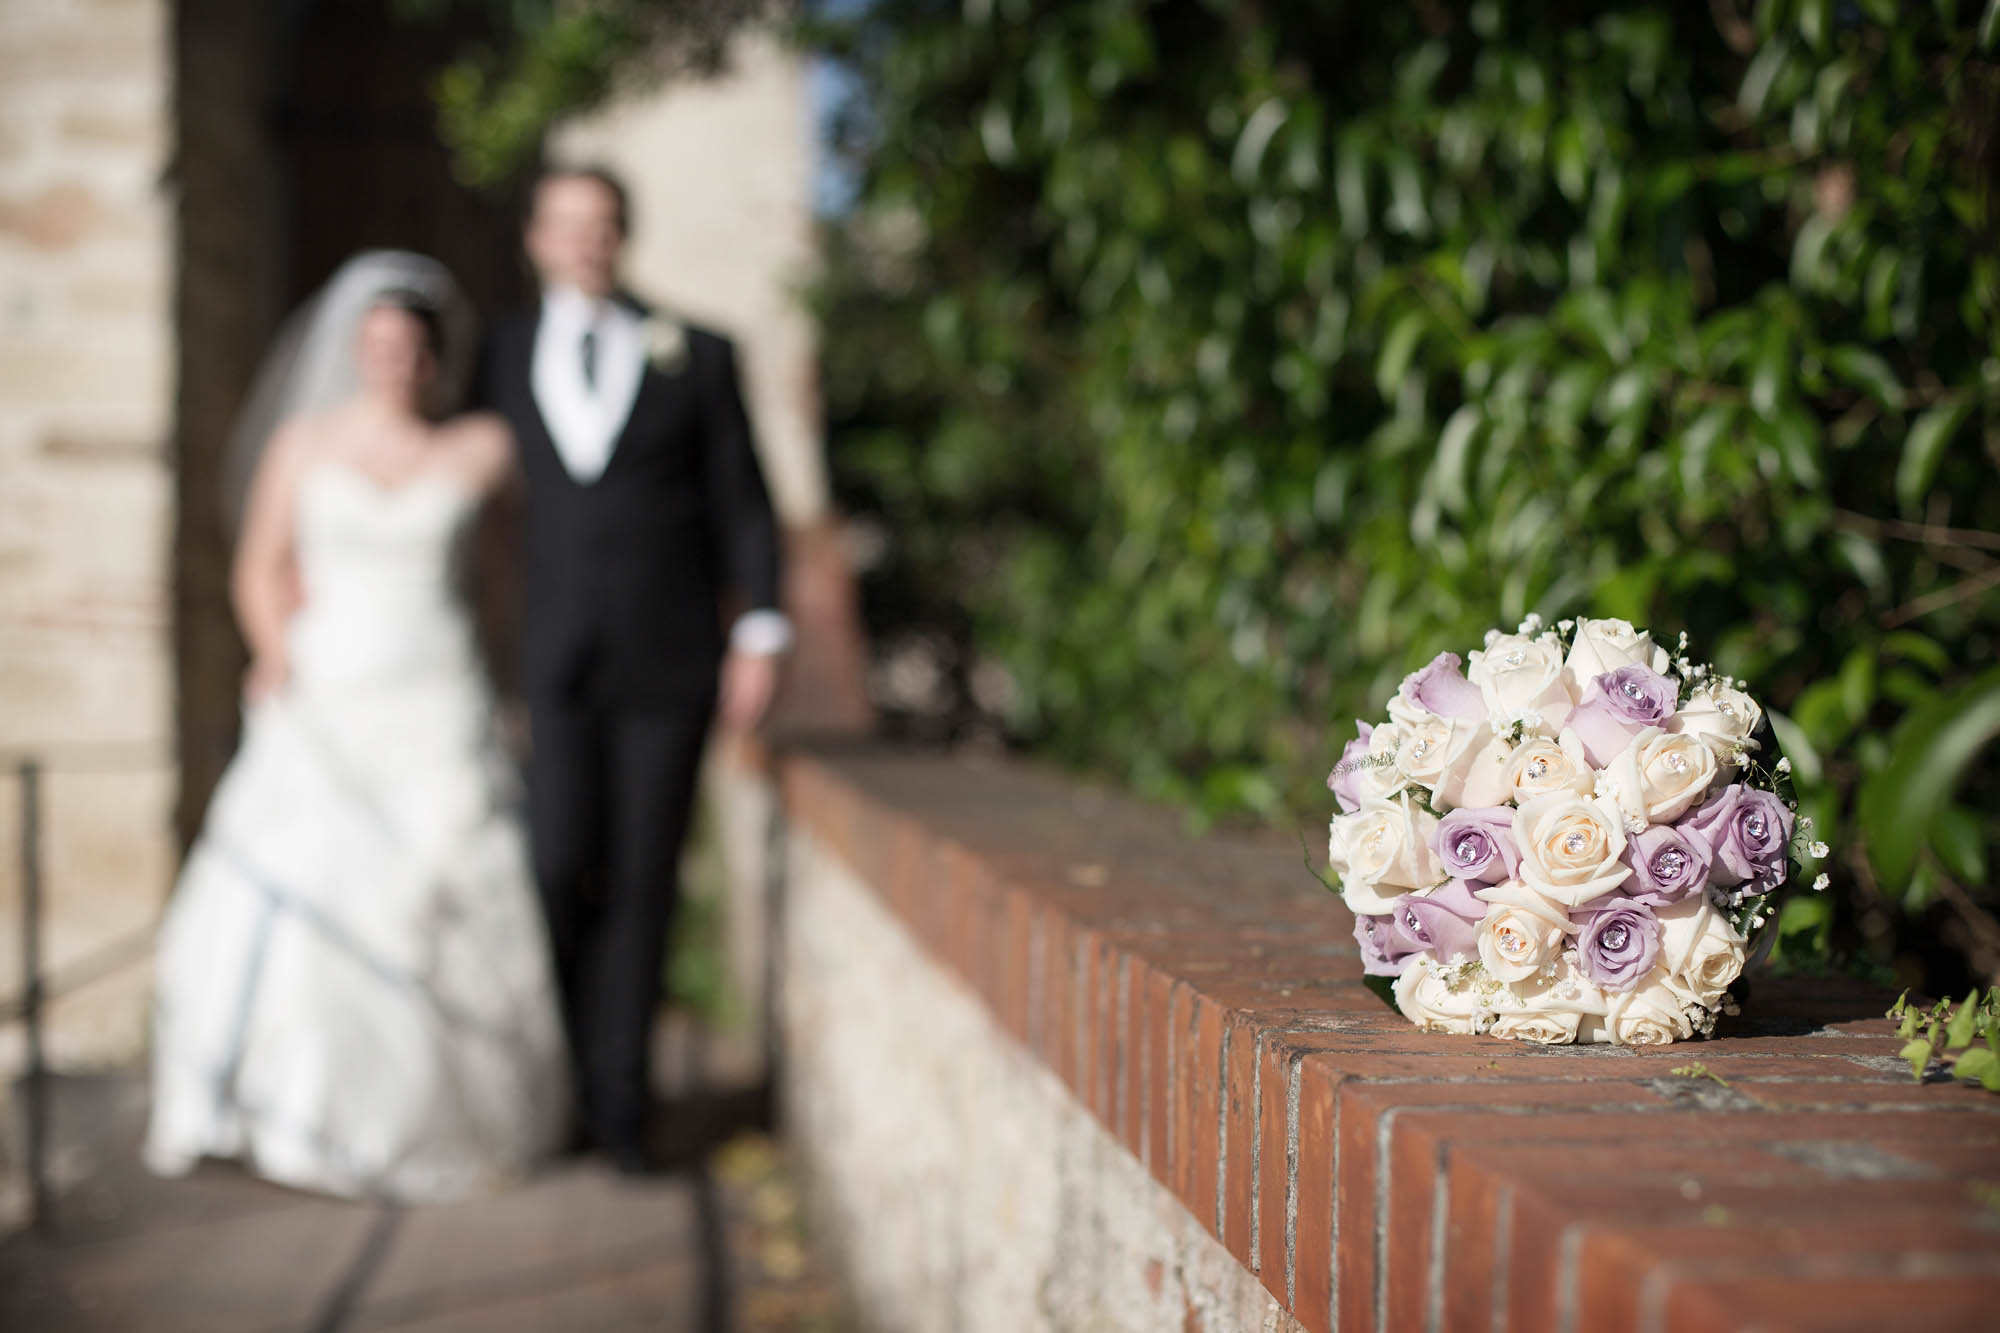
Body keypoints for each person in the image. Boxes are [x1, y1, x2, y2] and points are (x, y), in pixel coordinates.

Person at [145, 253, 568, 1201]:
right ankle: (297, 1109)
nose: (395, 361)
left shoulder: (483, 449)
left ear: (435, 356)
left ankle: (449, 1118)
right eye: (378, 345)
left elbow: (507, 584)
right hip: (328, 688)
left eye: (411, 346)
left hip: (439, 693)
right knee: (312, 893)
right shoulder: (303, 442)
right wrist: (276, 650)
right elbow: (259, 563)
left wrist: (510, 688)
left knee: (445, 881)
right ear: (356, 350)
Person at [477, 165, 788, 1173]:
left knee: (648, 877)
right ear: (535, 237)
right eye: (566, 225)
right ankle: (561, 1089)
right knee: (560, 866)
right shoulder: (499, 349)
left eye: (602, 225)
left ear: (622, 236)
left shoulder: (694, 352)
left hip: (670, 662)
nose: (585, 242)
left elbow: (744, 502)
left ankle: (624, 1110)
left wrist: (760, 634)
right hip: (552, 661)